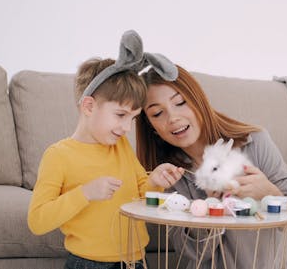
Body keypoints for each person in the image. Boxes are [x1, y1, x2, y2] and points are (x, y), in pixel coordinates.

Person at [136, 65, 287, 268]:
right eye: (157, 113)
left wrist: (270, 196)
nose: (172, 118)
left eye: (180, 102)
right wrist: (209, 211)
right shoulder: (168, 176)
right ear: (150, 126)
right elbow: (192, 254)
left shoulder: (255, 143)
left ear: (199, 101)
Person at [27, 31, 184, 269]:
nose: (126, 128)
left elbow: (140, 194)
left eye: (133, 118)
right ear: (89, 106)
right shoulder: (59, 155)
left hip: (135, 261)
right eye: (120, 115)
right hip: (89, 264)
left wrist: (155, 180)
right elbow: (37, 221)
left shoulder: (120, 146)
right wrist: (85, 193)